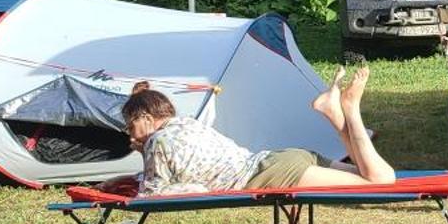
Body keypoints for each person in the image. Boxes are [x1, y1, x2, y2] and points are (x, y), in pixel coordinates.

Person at [117, 68, 394, 196]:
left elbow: (152, 194)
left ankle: (349, 109)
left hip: (268, 175)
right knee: (379, 176)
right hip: (281, 160)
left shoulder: (157, 141)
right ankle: (335, 115)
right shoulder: (187, 123)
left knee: (380, 183)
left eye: (131, 126)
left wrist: (142, 160)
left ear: (146, 117)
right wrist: (128, 176)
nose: (130, 135)